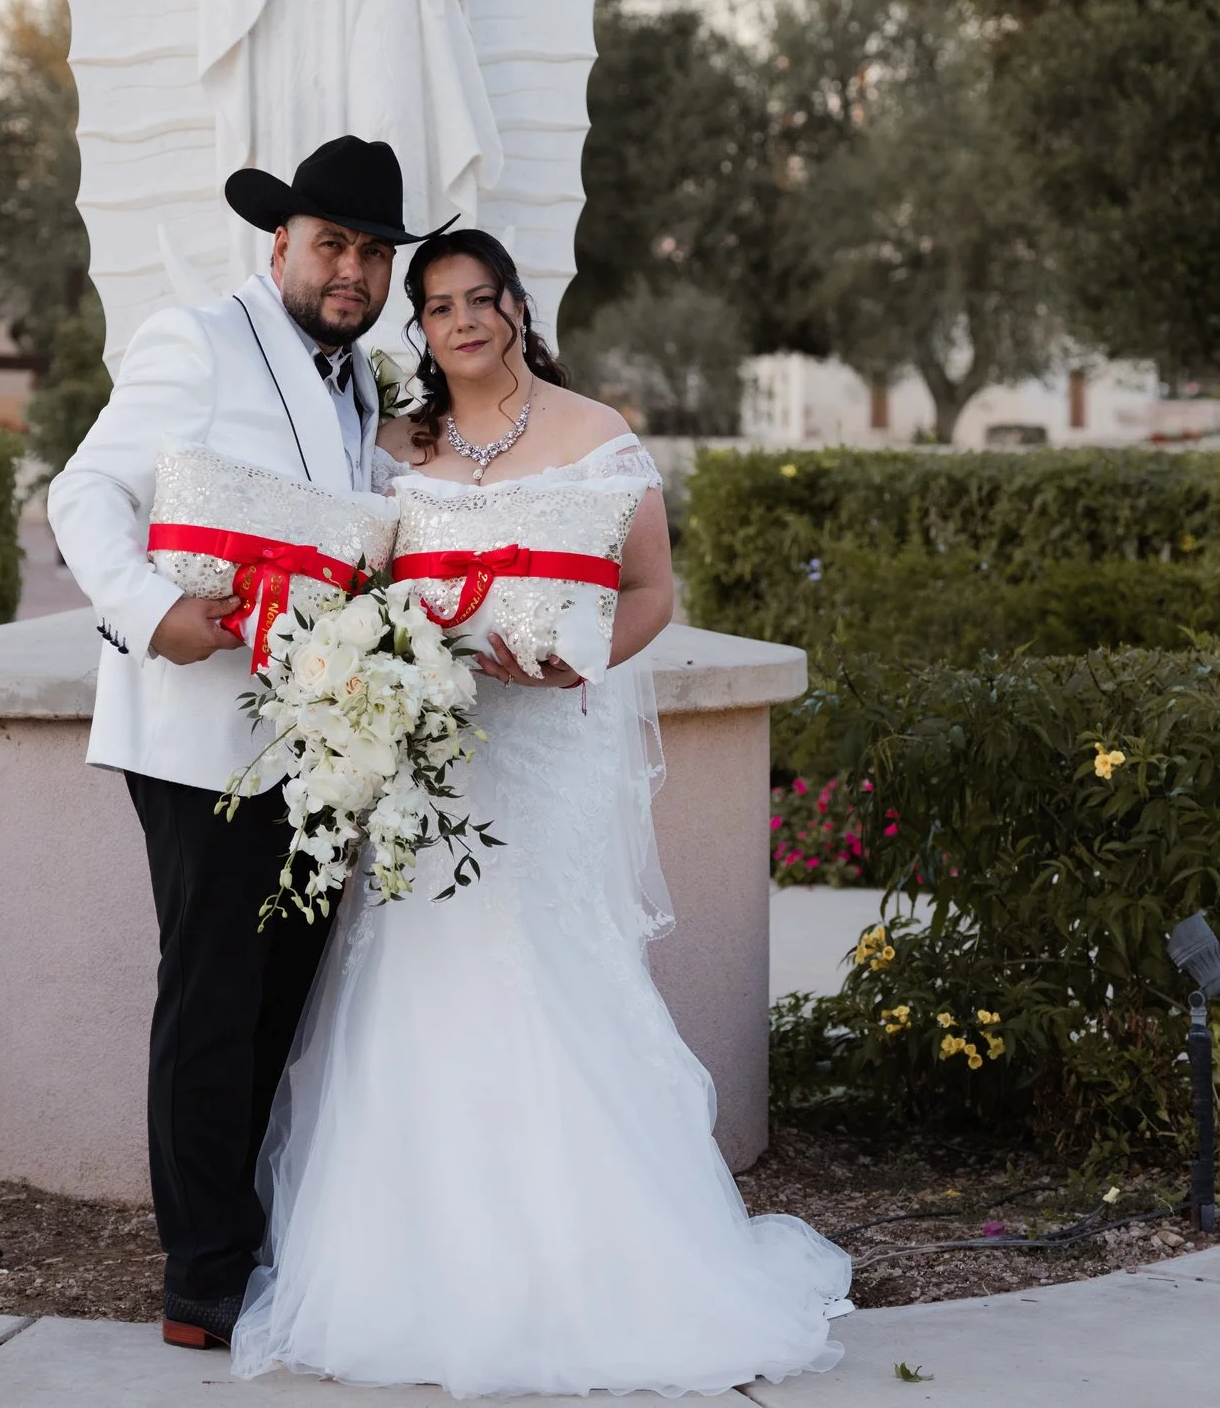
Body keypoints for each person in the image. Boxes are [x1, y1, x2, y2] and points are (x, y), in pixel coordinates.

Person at [229, 228, 855, 1397]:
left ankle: (594, 1270)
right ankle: (415, 1271)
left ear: (516, 307)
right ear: (417, 328)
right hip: (437, 759)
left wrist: (584, 662)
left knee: (550, 969)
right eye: (439, 305)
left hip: (549, 758)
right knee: (420, 974)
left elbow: (653, 587)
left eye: (482, 298)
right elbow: (357, 583)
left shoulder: (594, 433)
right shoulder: (393, 445)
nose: (463, 320)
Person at [45, 134, 445, 1350]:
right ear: (281, 242)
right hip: (196, 738)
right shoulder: (197, 340)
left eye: (373, 254)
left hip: (318, 746)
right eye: (332, 244)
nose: (352, 271)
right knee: (213, 999)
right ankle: (201, 1277)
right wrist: (151, 612)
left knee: (280, 1000)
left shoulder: (359, 379)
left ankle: (247, 1232)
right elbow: (83, 491)